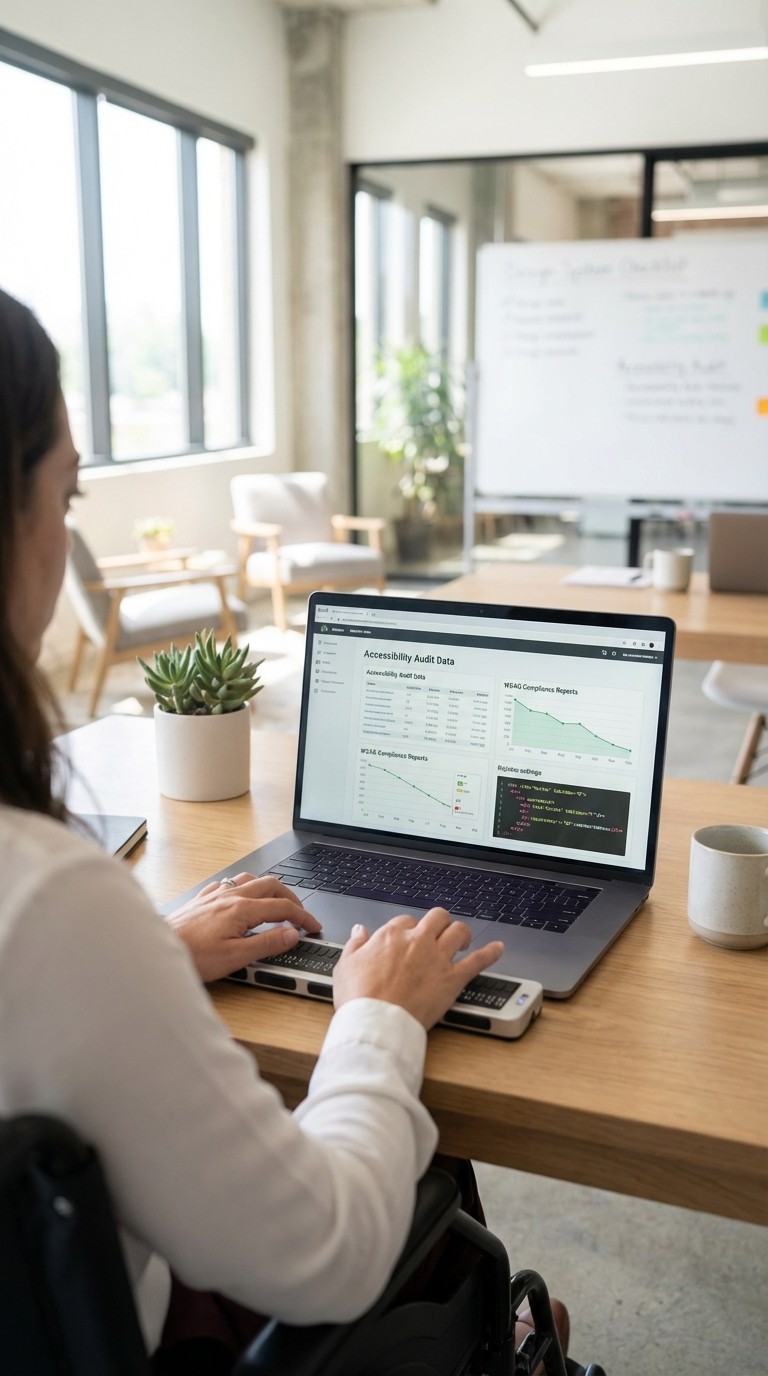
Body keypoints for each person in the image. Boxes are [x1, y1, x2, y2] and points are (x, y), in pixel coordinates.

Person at [0, 289, 568, 1373]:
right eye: (65, 494)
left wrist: (146, 962)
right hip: (166, 1336)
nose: (61, 528)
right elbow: (332, 1253)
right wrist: (380, 1018)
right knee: (416, 1140)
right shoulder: (47, 900)